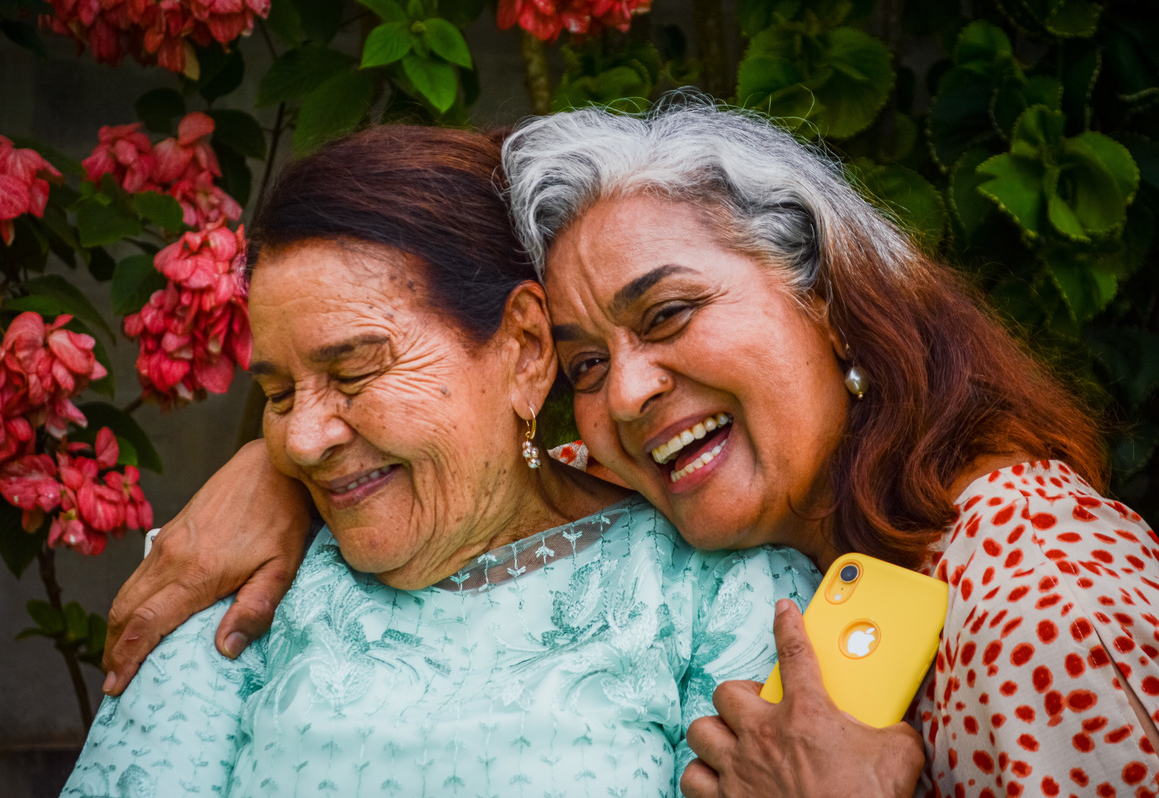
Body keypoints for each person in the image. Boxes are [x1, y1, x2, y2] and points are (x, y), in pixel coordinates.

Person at [101, 99, 1159, 797]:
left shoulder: (1046, 607)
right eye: (587, 365)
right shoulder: (775, 522)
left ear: (830, 302)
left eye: (668, 315)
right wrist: (288, 467)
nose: (631, 391)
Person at [60, 124, 820, 798]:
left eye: (354, 371)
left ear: (524, 349)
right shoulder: (243, 585)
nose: (301, 440)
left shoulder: (720, 594)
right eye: (282, 392)